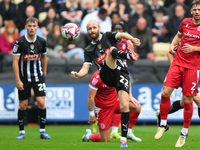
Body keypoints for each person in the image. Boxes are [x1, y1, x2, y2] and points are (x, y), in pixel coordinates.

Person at [71, 20, 140, 147]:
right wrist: (78, 75)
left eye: (94, 28)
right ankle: (128, 55)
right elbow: (85, 69)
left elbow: (121, 35)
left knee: (128, 106)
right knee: (111, 50)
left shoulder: (108, 35)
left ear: (99, 28)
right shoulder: (88, 50)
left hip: (120, 74)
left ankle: (124, 138)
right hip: (106, 76)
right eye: (89, 28)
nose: (92, 30)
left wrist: (132, 39)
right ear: (87, 31)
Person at [154, 0, 200, 147]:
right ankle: (163, 124)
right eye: (195, 9)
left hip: (192, 67)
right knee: (165, 92)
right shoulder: (185, 22)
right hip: (177, 63)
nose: (197, 12)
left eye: (199, 9)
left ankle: (184, 133)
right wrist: (172, 45)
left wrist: (194, 48)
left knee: (188, 100)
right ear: (191, 11)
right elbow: (178, 36)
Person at [13, 17, 51, 140]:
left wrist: (44, 73)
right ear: (26, 27)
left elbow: (44, 57)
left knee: (41, 102)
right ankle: (21, 132)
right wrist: (18, 80)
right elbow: (15, 62)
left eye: (34, 26)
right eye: (29, 26)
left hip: (38, 77)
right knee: (23, 105)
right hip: (24, 78)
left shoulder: (41, 41)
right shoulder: (19, 42)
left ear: (37, 27)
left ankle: (43, 131)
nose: (31, 28)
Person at [82, 70, 141, 142]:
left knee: (137, 107)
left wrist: (130, 95)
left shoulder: (116, 71)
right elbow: (90, 97)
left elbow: (127, 79)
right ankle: (88, 136)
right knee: (105, 139)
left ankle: (128, 132)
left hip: (115, 102)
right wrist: (91, 115)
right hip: (104, 108)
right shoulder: (97, 77)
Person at [156, 45, 200, 126]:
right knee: (199, 100)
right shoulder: (189, 40)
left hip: (193, 74)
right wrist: (176, 68)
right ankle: (163, 114)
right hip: (185, 74)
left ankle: (162, 113)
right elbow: (169, 53)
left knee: (183, 103)